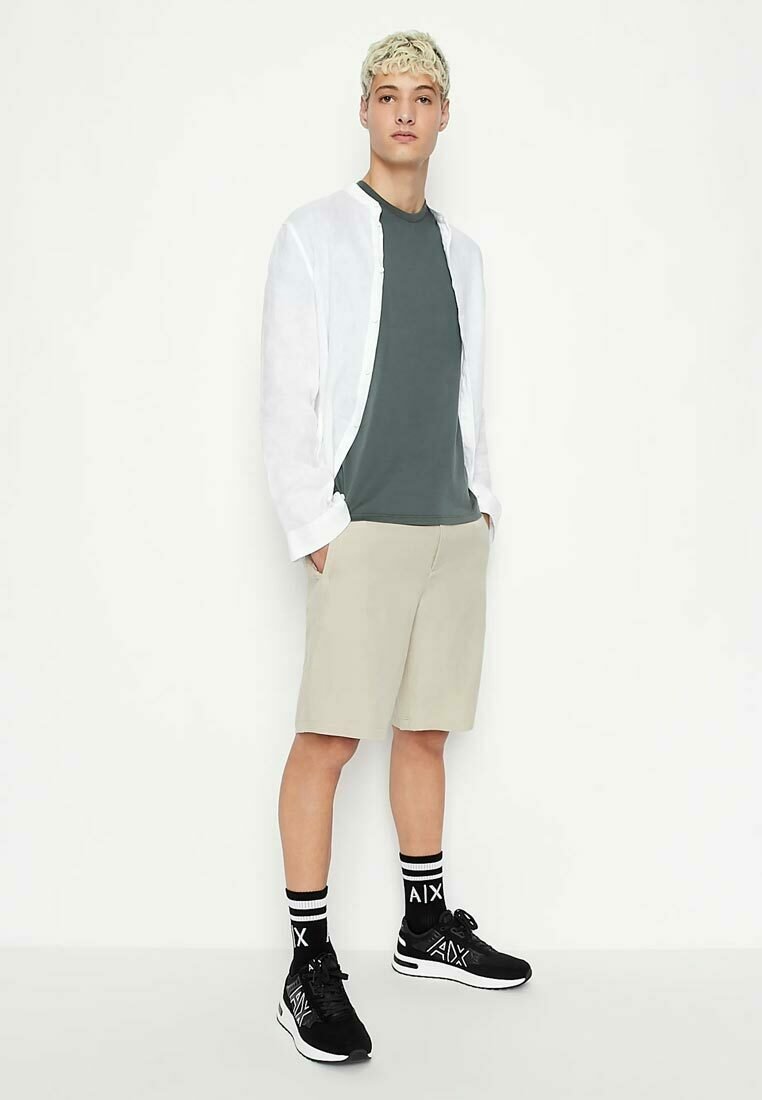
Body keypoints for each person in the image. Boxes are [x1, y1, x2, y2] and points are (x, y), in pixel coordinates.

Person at [260, 29, 532, 1065]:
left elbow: (465, 388)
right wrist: (316, 528)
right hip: (363, 526)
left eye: (423, 96)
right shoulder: (315, 234)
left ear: (444, 115)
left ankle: (425, 926)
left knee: (426, 732)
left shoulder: (465, 253)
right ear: (366, 111)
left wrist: (483, 503)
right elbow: (286, 392)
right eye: (387, 95)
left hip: (453, 528)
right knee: (329, 739)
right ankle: (308, 961)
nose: (405, 111)